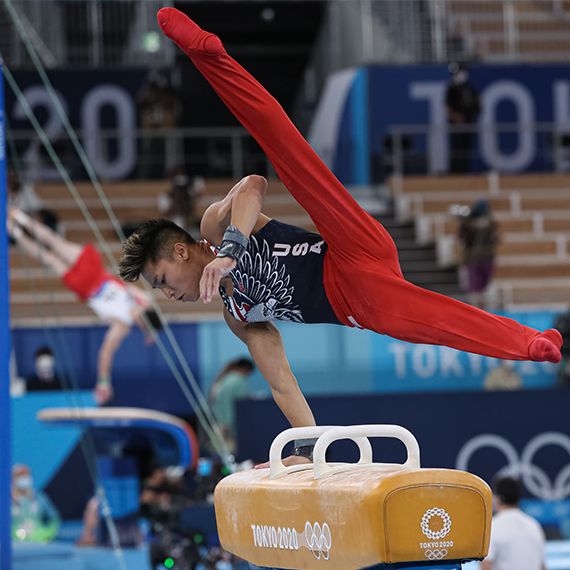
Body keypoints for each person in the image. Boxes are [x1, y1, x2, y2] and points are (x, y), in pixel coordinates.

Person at [118, 8, 563, 465]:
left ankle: (209, 55)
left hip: (349, 247)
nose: (168, 293)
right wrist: (310, 450)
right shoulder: (238, 315)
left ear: (179, 249)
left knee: (288, 151)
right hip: (357, 299)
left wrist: (231, 249)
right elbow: (281, 382)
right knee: (433, 324)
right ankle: (528, 342)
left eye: (162, 280)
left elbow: (254, 184)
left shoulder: (212, 227)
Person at [8, 207, 163, 405]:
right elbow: (105, 353)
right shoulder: (123, 324)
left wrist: (151, 332)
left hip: (93, 275)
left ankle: (19, 219)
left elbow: (147, 312)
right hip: (87, 284)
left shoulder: (139, 304)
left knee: (53, 246)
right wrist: (104, 382)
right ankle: (15, 231)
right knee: (49, 257)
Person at [481, 477, 546, 570]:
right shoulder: (534, 525)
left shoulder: (492, 527)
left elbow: (486, 566)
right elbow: (542, 566)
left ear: (497, 499)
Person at [458, 199, 499, 309]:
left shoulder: (490, 221)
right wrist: (467, 222)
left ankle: (485, 309)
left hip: (487, 258)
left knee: (485, 287)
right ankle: (476, 309)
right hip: (472, 258)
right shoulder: (468, 222)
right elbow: (461, 236)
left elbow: (496, 237)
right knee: (474, 287)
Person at [208, 358, 254, 453]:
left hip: (220, 422)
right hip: (230, 426)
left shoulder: (224, 379)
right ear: (246, 369)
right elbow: (241, 404)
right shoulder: (238, 381)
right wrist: (227, 423)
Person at [446, 62, 481, 173]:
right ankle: (455, 173)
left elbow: (476, 103)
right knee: (457, 149)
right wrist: (455, 117)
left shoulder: (468, 87)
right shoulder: (451, 88)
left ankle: (464, 172)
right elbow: (447, 106)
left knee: (465, 150)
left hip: (468, 123)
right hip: (456, 125)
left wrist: (476, 110)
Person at [11, 464, 60, 542]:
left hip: (38, 542)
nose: (24, 478)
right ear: (13, 479)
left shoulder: (39, 498)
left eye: (26, 475)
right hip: (15, 543)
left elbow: (54, 519)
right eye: (20, 476)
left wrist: (47, 535)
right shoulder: (7, 501)